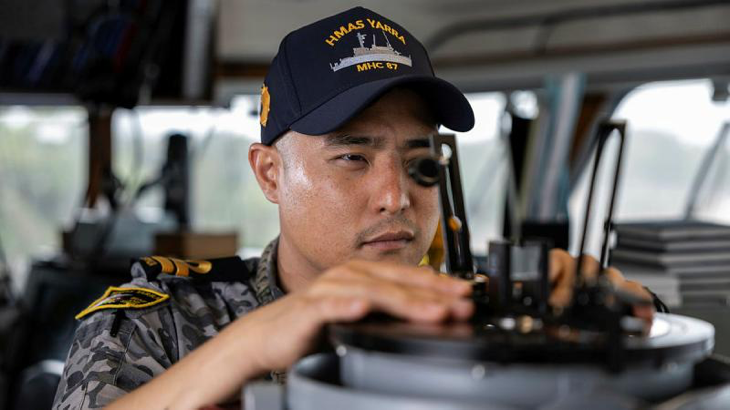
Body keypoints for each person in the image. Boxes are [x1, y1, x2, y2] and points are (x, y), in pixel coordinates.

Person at [52, 6, 654, 409]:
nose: (396, 197)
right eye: (353, 158)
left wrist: (604, 329)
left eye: (420, 163)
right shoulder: (158, 322)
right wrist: (248, 346)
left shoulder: (483, 323)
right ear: (270, 173)